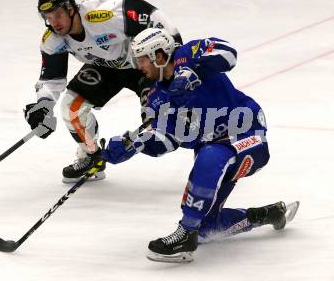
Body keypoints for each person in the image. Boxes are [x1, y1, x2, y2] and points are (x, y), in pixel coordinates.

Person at [101, 28, 300, 263]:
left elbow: (229, 53)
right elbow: (169, 139)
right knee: (207, 229)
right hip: (216, 150)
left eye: (142, 59)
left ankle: (185, 234)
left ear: (160, 55)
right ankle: (266, 214)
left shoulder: (188, 53)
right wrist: (135, 144)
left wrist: (190, 72)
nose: (139, 66)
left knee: (210, 155)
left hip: (247, 132)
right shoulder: (157, 97)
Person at [24, 0, 182, 183]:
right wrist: (43, 105)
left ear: (71, 9)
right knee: (71, 109)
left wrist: (176, 53)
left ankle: (207, 152)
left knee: (156, 115)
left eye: (57, 15)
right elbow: (51, 79)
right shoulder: (53, 40)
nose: (53, 23)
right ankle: (92, 156)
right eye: (47, 17)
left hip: (142, 64)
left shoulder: (99, 15)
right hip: (105, 68)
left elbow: (148, 13)